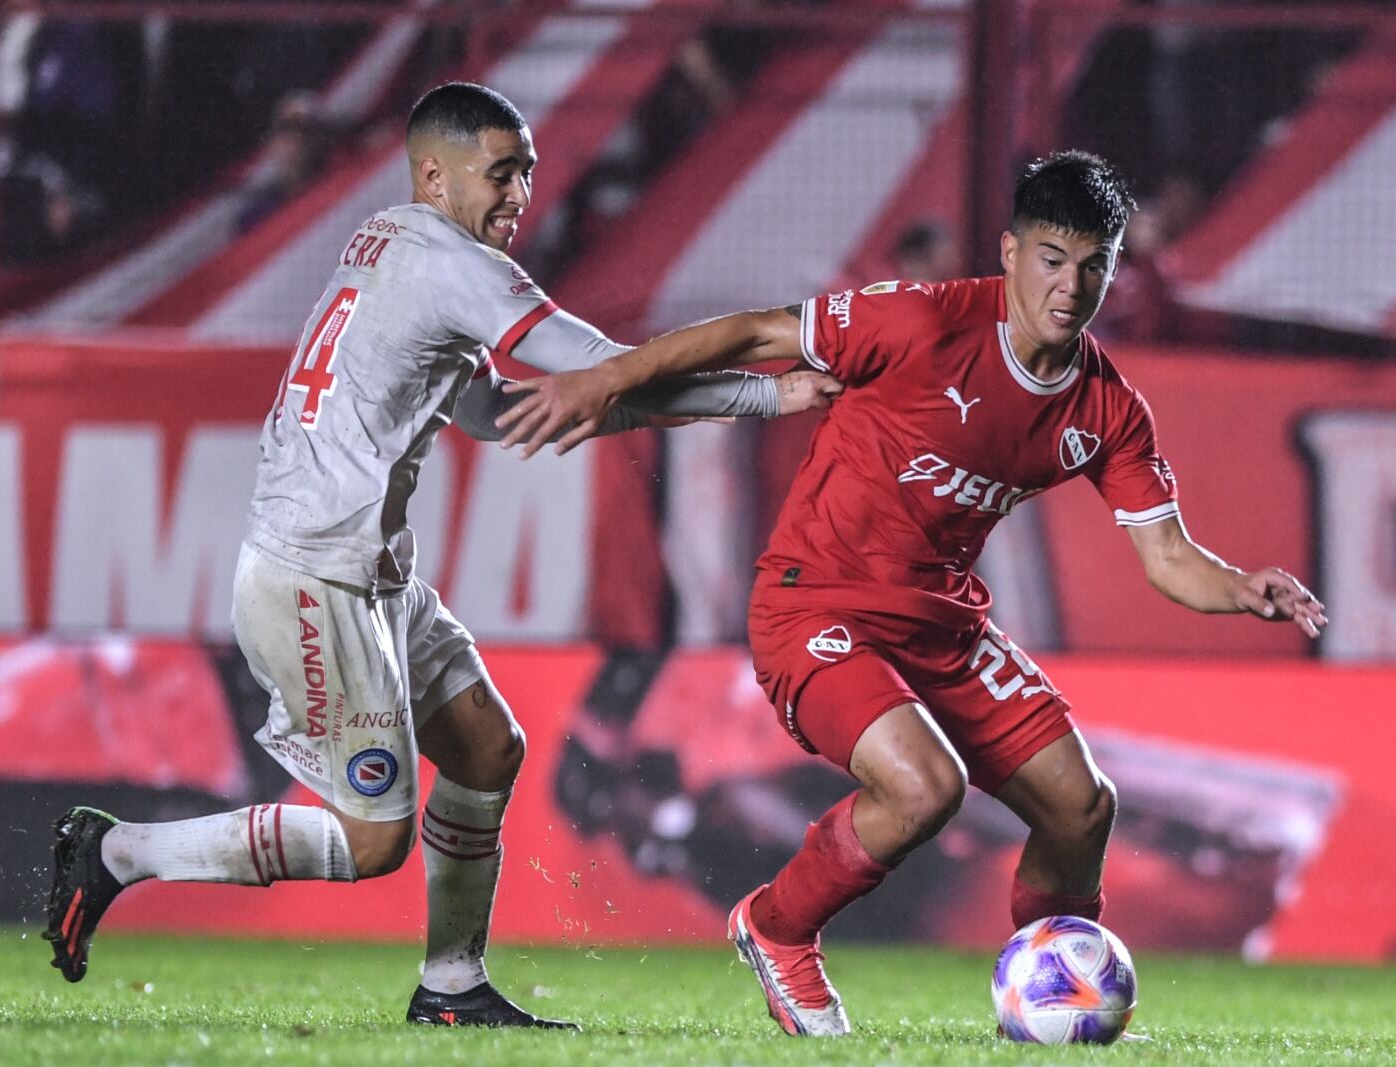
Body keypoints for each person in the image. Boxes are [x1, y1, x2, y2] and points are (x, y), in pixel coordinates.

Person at [41, 81, 839, 1030]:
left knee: (488, 747)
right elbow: (600, 362)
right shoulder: (455, 264)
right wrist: (761, 392)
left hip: (371, 574)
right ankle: (121, 852)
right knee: (373, 839)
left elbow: (497, 410)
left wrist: (642, 399)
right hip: (316, 576)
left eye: (528, 176)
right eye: (502, 174)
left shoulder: (391, 242)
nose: (520, 196)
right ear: (434, 173)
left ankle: (451, 987)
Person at [493, 150, 1327, 1036]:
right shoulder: (923, 323)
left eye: (1094, 264)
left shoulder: (1106, 409)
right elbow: (755, 333)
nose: (1071, 285)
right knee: (926, 789)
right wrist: (605, 376)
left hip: (944, 627)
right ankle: (777, 928)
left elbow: (1166, 557)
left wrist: (1240, 586)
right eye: (1052, 257)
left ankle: (1048, 1003)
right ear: (1010, 253)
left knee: (1081, 808)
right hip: (817, 604)